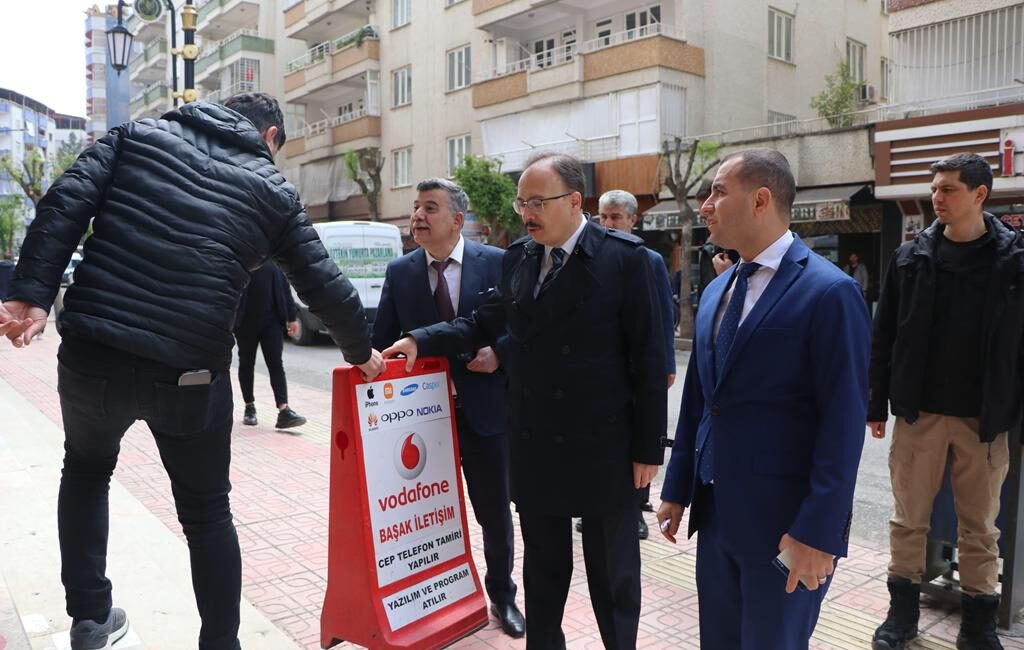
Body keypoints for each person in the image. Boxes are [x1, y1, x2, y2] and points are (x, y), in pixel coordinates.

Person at [0, 93, 384, 650]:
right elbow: (322, 281)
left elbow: (66, 202)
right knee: (207, 515)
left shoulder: (134, 137)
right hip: (189, 371)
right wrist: (360, 351)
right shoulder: (272, 190)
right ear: (270, 136)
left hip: (94, 352)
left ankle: (89, 618)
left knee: (85, 471)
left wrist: (32, 295)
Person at [383, 152, 666, 650]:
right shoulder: (521, 257)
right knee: (543, 571)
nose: (527, 213)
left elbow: (650, 364)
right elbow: (484, 321)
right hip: (535, 441)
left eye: (538, 202)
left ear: (575, 201)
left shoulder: (628, 261)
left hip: (605, 446)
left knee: (612, 574)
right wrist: (422, 340)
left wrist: (648, 450)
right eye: (522, 203)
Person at [657, 149, 871, 650]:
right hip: (716, 517)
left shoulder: (829, 292)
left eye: (717, 192)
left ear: (760, 199)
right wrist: (678, 487)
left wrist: (819, 533)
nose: (705, 205)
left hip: (787, 527)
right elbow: (700, 401)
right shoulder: (717, 292)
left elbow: (842, 425)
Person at [868, 152, 1022, 650]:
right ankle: (901, 617)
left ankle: (978, 627)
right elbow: (884, 334)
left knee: (980, 528)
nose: (937, 198)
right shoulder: (910, 258)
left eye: (949, 189)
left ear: (980, 195)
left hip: (985, 419)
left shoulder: (1014, 262)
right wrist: (876, 403)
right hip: (920, 415)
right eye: (935, 188)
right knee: (908, 520)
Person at [371, 177, 525, 638]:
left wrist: (499, 353)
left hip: (484, 413)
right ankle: (430, 596)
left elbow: (523, 329)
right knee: (423, 513)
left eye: (430, 208)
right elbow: (384, 340)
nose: (418, 216)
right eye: (416, 207)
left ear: (457, 220)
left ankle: (503, 596)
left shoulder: (498, 263)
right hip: (419, 423)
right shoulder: (400, 272)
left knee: (494, 511)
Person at [596, 189, 676, 541]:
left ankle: (637, 508)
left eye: (616, 217)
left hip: (639, 368)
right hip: (605, 370)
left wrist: (666, 365)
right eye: (603, 217)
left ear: (633, 219)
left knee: (640, 436)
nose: (609, 224)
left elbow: (662, 317)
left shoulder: (648, 259)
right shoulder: (593, 257)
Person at [234, 263, 306, 430]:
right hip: (245, 322)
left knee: (276, 364)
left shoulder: (273, 258)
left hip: (271, 322)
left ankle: (284, 410)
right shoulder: (243, 256)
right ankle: (249, 407)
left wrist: (292, 316)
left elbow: (284, 287)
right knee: (246, 364)